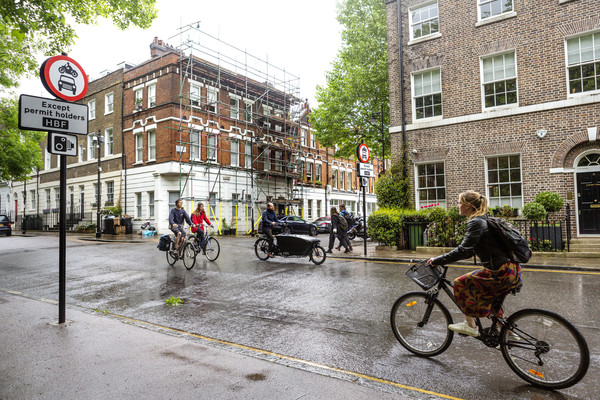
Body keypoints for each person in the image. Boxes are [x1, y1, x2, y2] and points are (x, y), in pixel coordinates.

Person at [427, 190, 523, 337]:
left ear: (468, 206)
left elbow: (463, 250)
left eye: (459, 203)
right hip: (511, 270)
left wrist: (437, 260)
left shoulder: (475, 222)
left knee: (460, 283)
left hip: (500, 272)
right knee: (491, 302)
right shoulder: (484, 219)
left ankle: (470, 325)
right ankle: (509, 335)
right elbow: (471, 250)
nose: (457, 206)